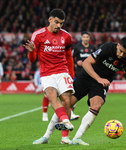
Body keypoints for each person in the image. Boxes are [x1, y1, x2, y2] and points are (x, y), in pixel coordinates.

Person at [33, 36, 126, 145]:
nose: (121, 55)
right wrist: (99, 78)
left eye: (125, 53)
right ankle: (46, 136)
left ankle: (77, 138)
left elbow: (124, 66)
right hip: (87, 77)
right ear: (118, 45)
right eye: (120, 51)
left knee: (97, 106)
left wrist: (125, 69)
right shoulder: (108, 48)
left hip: (100, 84)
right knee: (67, 104)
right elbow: (86, 63)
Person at [23, 8, 75, 143]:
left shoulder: (66, 36)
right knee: (52, 97)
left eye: (61, 23)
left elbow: (69, 56)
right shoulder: (38, 35)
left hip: (63, 71)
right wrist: (31, 52)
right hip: (47, 73)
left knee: (67, 102)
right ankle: (65, 121)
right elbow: (32, 59)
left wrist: (71, 74)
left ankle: (64, 138)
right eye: (56, 22)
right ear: (50, 19)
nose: (59, 26)